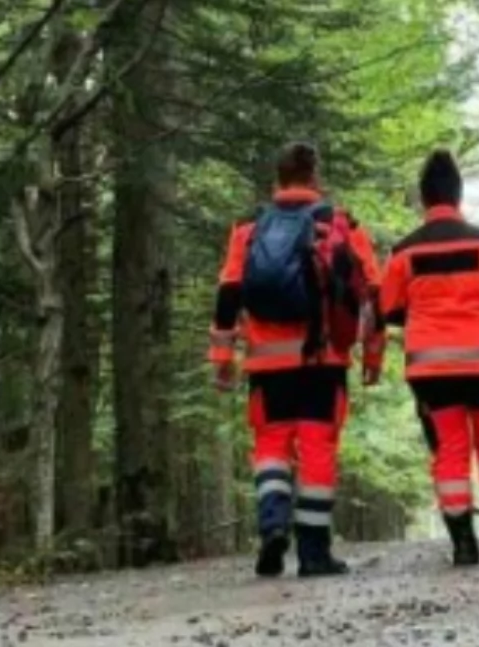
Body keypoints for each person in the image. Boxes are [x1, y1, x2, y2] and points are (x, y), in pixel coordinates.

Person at [208, 141, 385, 578]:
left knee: (271, 448)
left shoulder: (249, 226)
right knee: (317, 450)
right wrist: (373, 353)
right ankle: (314, 553)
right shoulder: (338, 222)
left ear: (278, 179)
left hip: (267, 366)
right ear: (315, 178)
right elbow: (372, 291)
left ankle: (272, 526)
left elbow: (229, 290)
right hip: (322, 361)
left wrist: (222, 355)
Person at [380, 150, 479, 566]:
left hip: (431, 368)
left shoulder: (403, 252)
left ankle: (463, 541)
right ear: (459, 193)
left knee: (449, 450)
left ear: (423, 198)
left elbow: (389, 310)